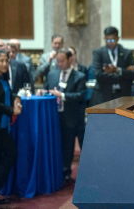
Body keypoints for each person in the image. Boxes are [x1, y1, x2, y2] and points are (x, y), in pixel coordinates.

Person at [36, 49, 86, 184]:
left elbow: (81, 96)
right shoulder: (52, 74)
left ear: (70, 60)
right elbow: (47, 89)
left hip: (70, 118)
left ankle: (66, 173)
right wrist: (42, 91)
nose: (59, 63)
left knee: (67, 147)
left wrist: (62, 96)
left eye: (62, 61)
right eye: (57, 61)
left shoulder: (79, 76)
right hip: (53, 117)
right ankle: (54, 172)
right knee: (53, 145)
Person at [0, 50, 22, 204]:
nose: (4, 64)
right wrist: (12, 111)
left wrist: (17, 98)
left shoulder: (3, 79)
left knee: (10, 155)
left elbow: (9, 94)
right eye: (1, 61)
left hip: (3, 126)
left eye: (6, 61)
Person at [90, 26, 134, 106]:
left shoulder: (127, 53)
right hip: (103, 96)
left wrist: (117, 70)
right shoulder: (98, 53)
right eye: (107, 40)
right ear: (104, 38)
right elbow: (98, 75)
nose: (110, 42)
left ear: (118, 38)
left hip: (123, 95)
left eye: (112, 40)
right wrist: (123, 73)